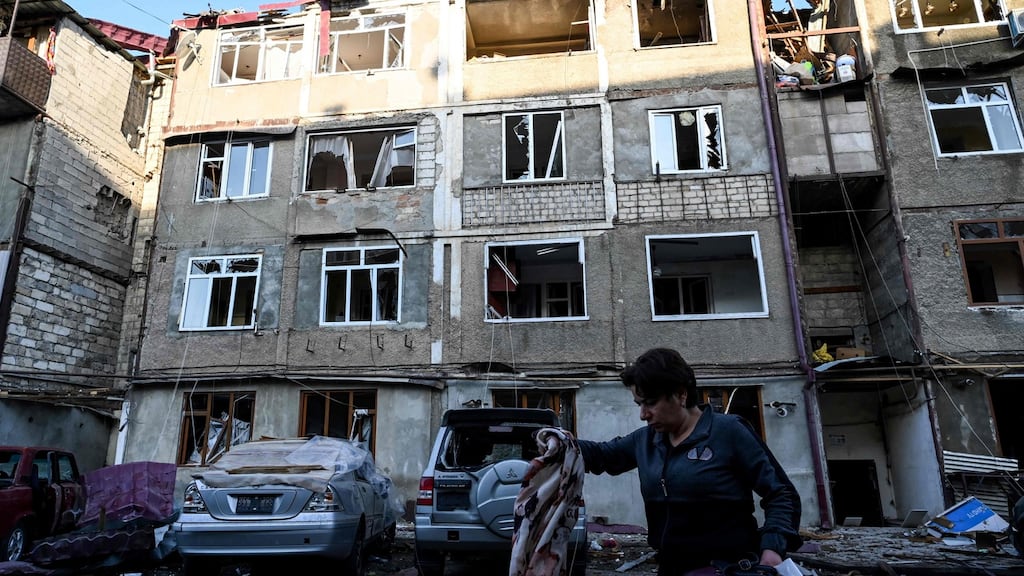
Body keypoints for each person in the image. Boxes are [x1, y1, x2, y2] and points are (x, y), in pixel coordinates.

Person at [577, 347, 802, 575]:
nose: (643, 414)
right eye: (639, 404)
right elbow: (600, 455)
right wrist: (554, 439)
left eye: (651, 403)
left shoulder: (729, 432)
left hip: (727, 568)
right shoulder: (645, 441)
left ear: (681, 394)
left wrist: (773, 549)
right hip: (671, 568)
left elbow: (781, 494)